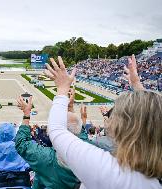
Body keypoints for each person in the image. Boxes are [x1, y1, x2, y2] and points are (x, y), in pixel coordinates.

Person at [45, 55, 162, 189]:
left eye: (114, 114)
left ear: (123, 128)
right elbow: (153, 120)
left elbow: (57, 130)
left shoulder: (106, 169)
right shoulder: (153, 179)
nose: (109, 117)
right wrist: (137, 85)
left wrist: (62, 88)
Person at [16, 95, 93, 189]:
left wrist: (26, 114)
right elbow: (79, 132)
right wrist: (70, 108)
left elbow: (21, 144)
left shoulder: (44, 156)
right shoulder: (91, 152)